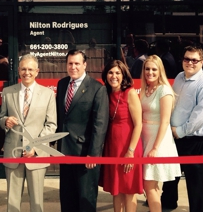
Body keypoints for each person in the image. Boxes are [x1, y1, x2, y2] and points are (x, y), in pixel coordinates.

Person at [161, 46, 203, 212]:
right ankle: (167, 203)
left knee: (196, 181)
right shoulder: (179, 77)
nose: (190, 63)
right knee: (170, 174)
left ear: (202, 62)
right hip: (175, 136)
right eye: (187, 59)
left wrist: (179, 131)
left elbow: (201, 116)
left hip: (196, 140)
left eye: (195, 60)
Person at [0, 54, 57, 212]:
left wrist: (35, 146)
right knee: (12, 202)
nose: (27, 72)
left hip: (36, 155)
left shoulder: (48, 94)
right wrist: (5, 121)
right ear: (18, 70)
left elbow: (51, 125)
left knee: (37, 203)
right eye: (23, 69)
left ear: (37, 71)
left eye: (30, 69)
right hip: (13, 154)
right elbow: (1, 116)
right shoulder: (8, 92)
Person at [56, 49, 109, 212]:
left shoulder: (97, 88)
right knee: (67, 199)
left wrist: (93, 153)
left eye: (77, 63)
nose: (73, 67)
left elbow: (100, 125)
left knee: (85, 200)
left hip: (85, 154)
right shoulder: (62, 84)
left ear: (85, 65)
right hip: (65, 152)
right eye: (70, 63)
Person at [100, 60, 143, 212]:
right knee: (116, 188)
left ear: (123, 75)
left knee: (129, 189)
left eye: (118, 73)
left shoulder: (130, 93)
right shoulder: (105, 93)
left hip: (128, 146)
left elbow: (138, 124)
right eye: (111, 72)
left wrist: (130, 151)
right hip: (112, 147)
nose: (114, 76)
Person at [140, 55, 181, 212]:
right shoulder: (145, 89)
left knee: (148, 185)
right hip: (145, 138)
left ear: (160, 71)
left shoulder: (164, 90)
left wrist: (155, 148)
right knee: (153, 187)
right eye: (147, 69)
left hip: (159, 141)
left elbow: (165, 122)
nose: (150, 72)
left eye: (154, 69)